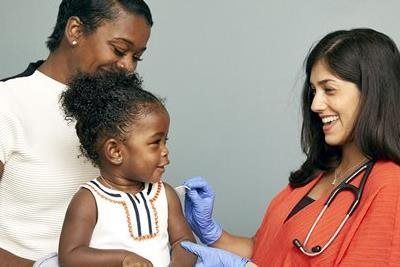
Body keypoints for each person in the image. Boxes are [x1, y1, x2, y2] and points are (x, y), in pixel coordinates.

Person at [181, 28, 400, 266]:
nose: (315, 104)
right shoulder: (318, 172)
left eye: (329, 89)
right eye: (314, 91)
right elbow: (267, 250)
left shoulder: (390, 185)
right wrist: (213, 234)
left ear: (372, 93)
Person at [0, 0, 153, 265]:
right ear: (75, 31)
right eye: (119, 50)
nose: (128, 66)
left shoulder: (121, 114)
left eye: (136, 57)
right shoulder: (8, 103)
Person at [58, 71, 197, 266]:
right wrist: (122, 258)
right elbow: (70, 256)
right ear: (115, 151)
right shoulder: (90, 200)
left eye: (165, 141)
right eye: (156, 142)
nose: (165, 151)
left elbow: (184, 241)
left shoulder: (165, 194)